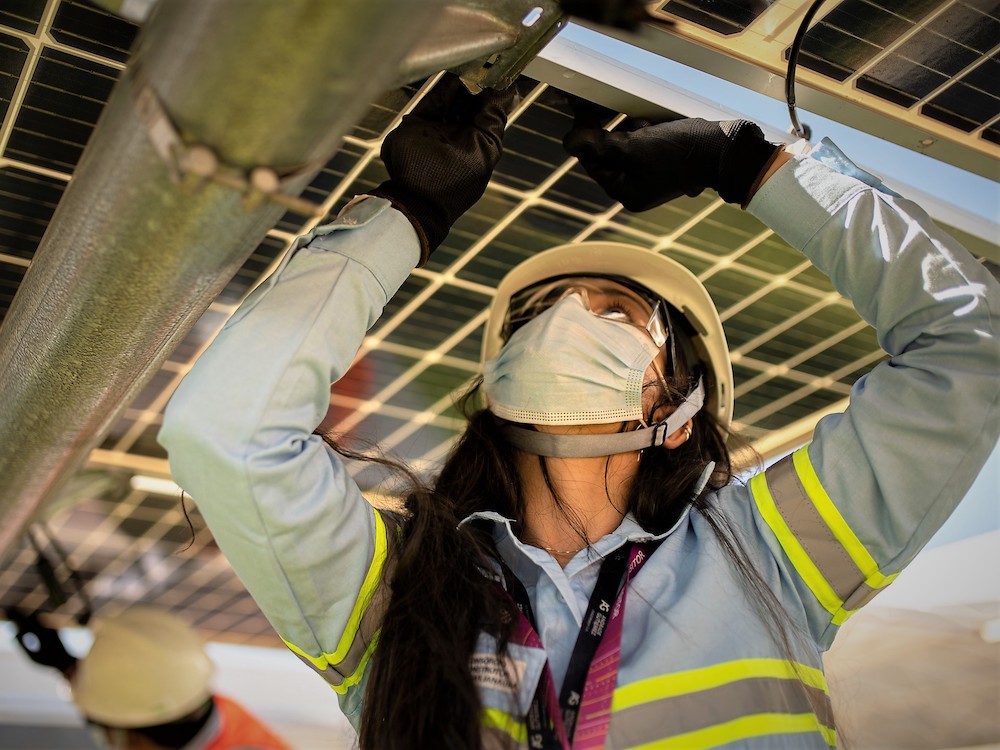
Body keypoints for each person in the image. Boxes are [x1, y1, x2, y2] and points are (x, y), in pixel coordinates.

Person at [159, 73, 1000, 749]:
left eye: (614, 313)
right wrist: (404, 218)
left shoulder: (773, 555)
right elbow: (225, 433)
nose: (565, 319)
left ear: (677, 402)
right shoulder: (392, 588)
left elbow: (974, 344)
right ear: (495, 382)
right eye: (540, 312)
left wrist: (752, 168)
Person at [7, 606, 292, 750]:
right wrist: (68, 666)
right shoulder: (175, 698)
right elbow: (138, 698)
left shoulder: (188, 700)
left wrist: (68, 667)